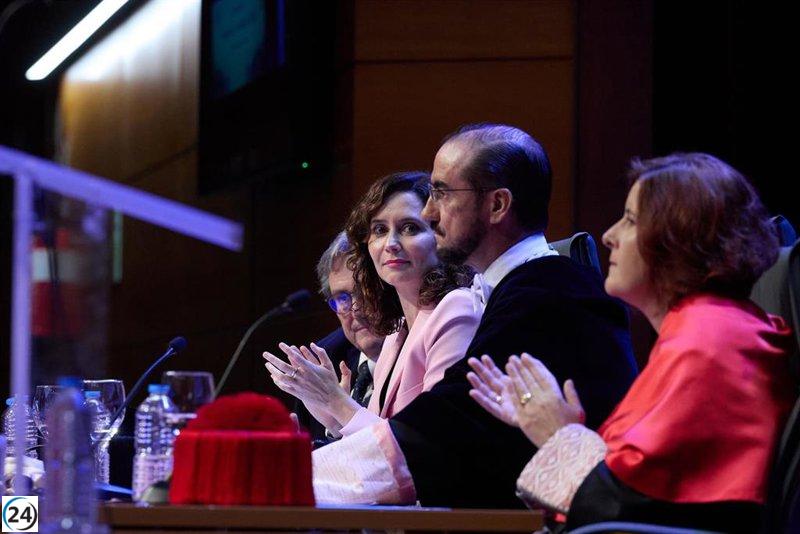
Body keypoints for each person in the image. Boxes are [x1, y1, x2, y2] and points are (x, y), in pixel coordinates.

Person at [311, 124, 637, 507]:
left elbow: (443, 431)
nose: (429, 212)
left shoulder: (548, 294)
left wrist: (294, 474)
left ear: (497, 205)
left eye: (441, 193)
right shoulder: (518, 290)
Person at [468, 153, 795, 531]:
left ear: (678, 237)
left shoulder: (709, 337)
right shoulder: (698, 326)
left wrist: (558, 434)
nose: (609, 235)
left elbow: (629, 510)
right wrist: (562, 430)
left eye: (631, 220)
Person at [265, 171, 480, 441]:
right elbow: (380, 442)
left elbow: (433, 443)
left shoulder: (457, 309)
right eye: (379, 230)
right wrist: (331, 418)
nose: (391, 244)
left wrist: (336, 402)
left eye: (409, 228)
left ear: (439, 236)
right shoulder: (395, 332)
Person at [292, 231, 385, 446]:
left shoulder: (421, 351)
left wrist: (339, 407)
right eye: (342, 298)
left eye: (365, 290)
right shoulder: (322, 362)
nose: (356, 309)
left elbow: (407, 452)